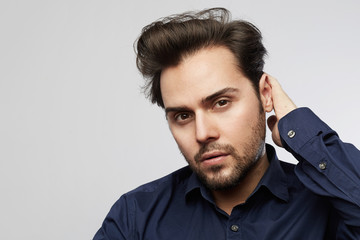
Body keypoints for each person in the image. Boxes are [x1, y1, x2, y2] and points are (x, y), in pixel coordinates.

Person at [93, 8, 360, 239]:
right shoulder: (134, 218)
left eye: (221, 103)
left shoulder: (330, 205)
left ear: (265, 94)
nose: (203, 133)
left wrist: (297, 129)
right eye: (183, 116)